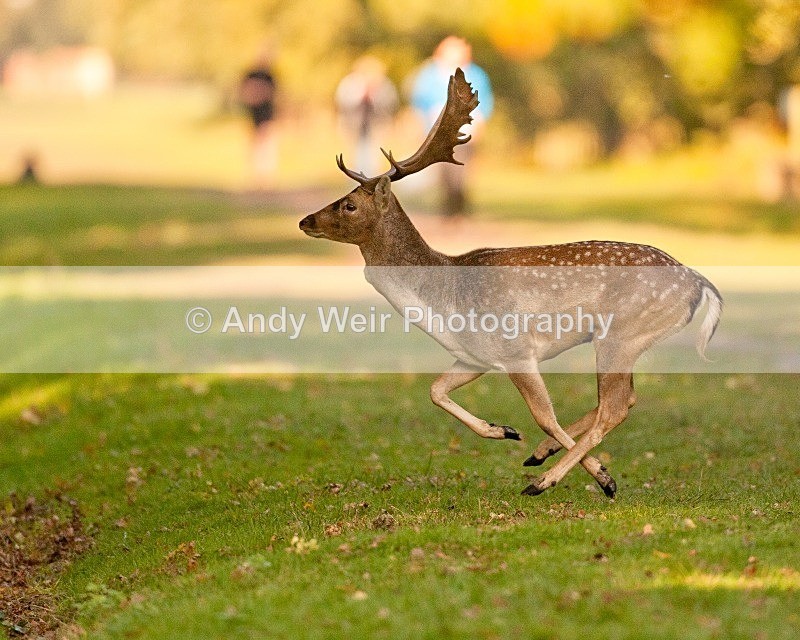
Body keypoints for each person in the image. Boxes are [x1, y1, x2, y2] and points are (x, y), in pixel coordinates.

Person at [410, 36, 494, 217]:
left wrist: (480, 123)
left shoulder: (475, 74)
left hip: (465, 129)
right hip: (438, 130)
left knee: (460, 172)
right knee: (443, 172)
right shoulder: (430, 75)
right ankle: (448, 210)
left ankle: (458, 210)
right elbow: (420, 101)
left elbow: (484, 101)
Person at [335, 56, 398, 176]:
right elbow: (342, 101)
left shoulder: (384, 85)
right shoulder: (350, 83)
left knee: (375, 155)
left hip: (376, 126)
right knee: (355, 155)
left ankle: (372, 178)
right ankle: (356, 179)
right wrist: (360, 95)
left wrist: (374, 97)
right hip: (354, 126)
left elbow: (390, 103)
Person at [239, 53, 278, 186]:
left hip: (267, 115)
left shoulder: (269, 76)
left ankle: (266, 177)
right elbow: (244, 91)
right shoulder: (251, 74)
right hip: (254, 115)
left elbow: (272, 93)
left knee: (266, 144)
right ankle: (256, 175)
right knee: (255, 144)